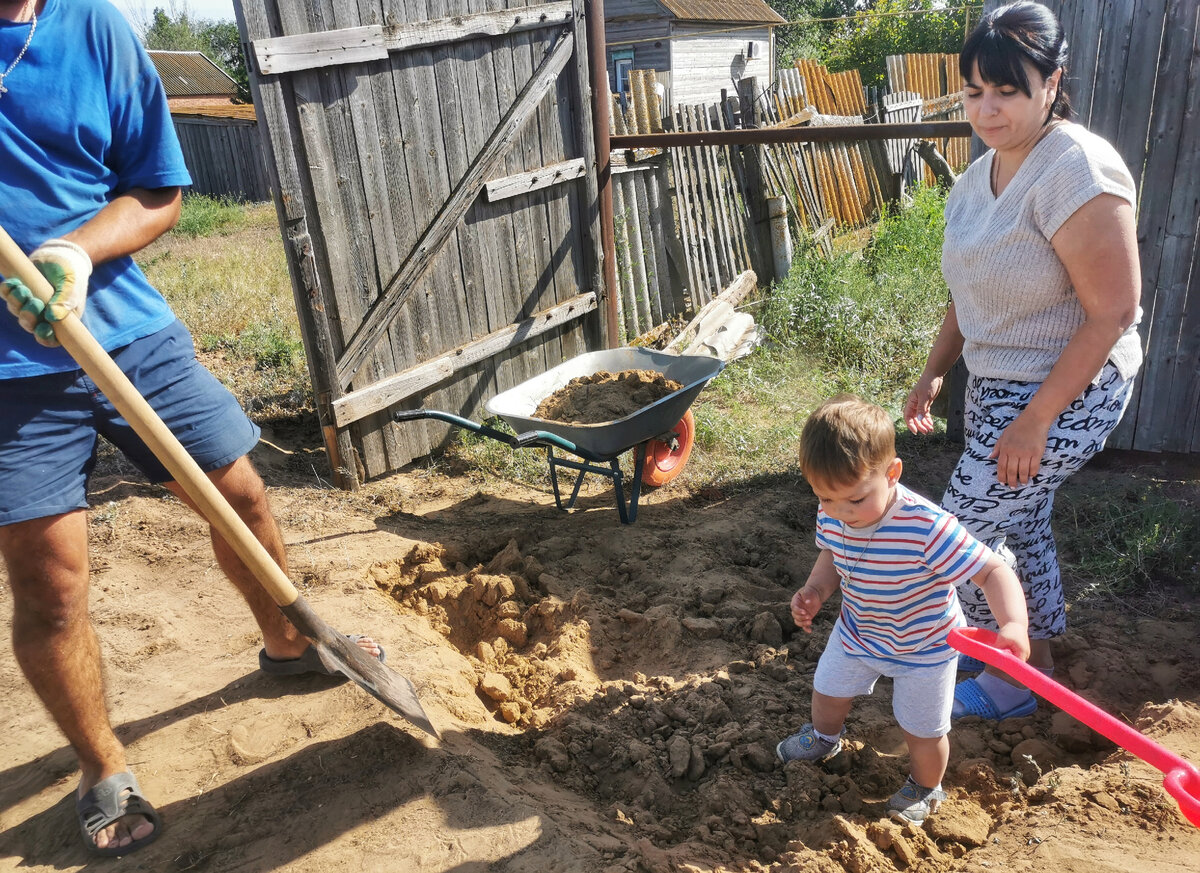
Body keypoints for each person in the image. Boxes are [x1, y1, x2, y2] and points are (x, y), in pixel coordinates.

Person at [0, 0, 380, 857]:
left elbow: (158, 190)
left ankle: (290, 644)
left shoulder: (91, 28)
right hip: (7, 377)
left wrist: (73, 252)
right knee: (51, 585)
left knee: (239, 493)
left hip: (127, 330)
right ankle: (103, 768)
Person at [903, 2, 1142, 721]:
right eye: (975, 91)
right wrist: (935, 369)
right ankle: (1039, 644)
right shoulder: (978, 179)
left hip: (1072, 386)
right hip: (998, 383)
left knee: (964, 533)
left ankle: (1012, 680)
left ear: (1051, 82)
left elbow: (1114, 310)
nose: (988, 107)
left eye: (1008, 89)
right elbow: (966, 290)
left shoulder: (1075, 167)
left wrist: (1039, 419)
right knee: (1021, 522)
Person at [776, 396, 1030, 825]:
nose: (840, 513)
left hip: (925, 648)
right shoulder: (834, 513)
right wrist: (816, 591)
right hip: (858, 632)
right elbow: (832, 556)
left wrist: (1014, 625)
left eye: (854, 501)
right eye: (824, 499)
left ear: (892, 474)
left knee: (923, 729)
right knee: (827, 691)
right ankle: (824, 738)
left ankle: (926, 786)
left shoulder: (926, 527)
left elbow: (991, 571)